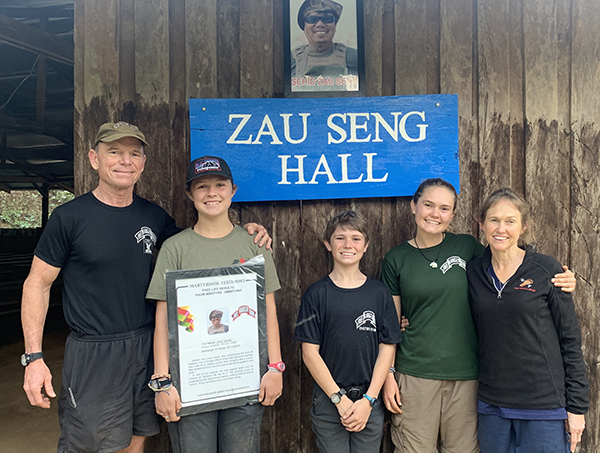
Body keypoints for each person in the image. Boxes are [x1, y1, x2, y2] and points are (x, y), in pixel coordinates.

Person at [20, 122, 270, 453]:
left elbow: (200, 242)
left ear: (143, 162)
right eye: (115, 152)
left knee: (136, 442)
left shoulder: (153, 217)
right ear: (94, 159)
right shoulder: (69, 217)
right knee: (89, 445)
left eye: (134, 153)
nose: (125, 161)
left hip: (144, 347)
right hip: (95, 350)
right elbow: (37, 283)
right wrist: (33, 358)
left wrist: (245, 231)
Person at [380, 178, 577, 453]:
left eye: (444, 208)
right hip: (415, 373)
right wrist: (388, 375)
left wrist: (559, 277)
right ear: (413, 206)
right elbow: (390, 324)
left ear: (453, 214)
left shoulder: (468, 249)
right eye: (428, 205)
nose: (435, 213)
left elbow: (511, 257)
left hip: (469, 377)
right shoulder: (395, 258)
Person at [146, 155, 283, 453]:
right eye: (202, 186)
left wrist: (275, 367)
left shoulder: (254, 245)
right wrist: (162, 382)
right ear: (189, 194)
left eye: (219, 185)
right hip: (191, 385)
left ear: (232, 190)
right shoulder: (174, 248)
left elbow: (267, 310)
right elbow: (163, 320)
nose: (212, 193)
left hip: (245, 380)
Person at [467, 188, 589, 453]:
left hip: (542, 406)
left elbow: (570, 340)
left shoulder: (547, 270)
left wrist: (577, 408)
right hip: (492, 405)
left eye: (510, 221)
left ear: (522, 227)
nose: (501, 228)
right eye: (494, 220)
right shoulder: (473, 271)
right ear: (482, 225)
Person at [295, 210, 402, 453]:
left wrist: (369, 400)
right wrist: (339, 400)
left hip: (369, 399)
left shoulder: (379, 293)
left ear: (366, 246)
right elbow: (309, 354)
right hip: (329, 401)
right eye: (340, 238)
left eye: (356, 238)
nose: (348, 245)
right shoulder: (315, 294)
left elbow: (387, 348)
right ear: (327, 244)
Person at [291, 0, 358, 91]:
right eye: (312, 19)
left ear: (335, 26)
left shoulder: (354, 57)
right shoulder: (291, 59)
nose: (320, 24)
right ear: (304, 26)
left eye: (327, 18)